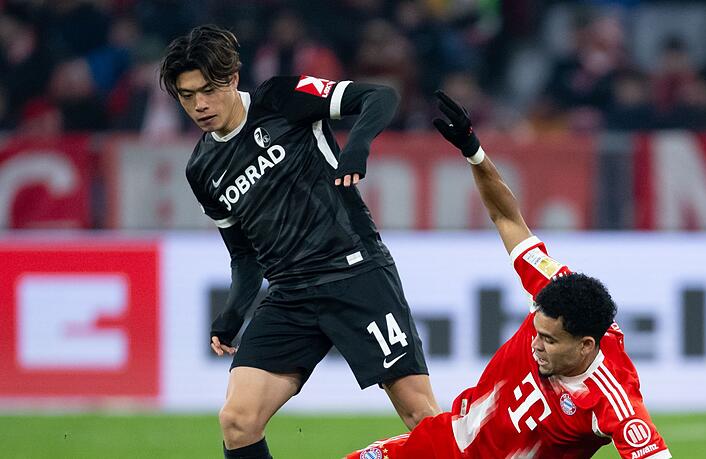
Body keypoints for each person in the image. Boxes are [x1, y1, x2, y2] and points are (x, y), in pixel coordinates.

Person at [158, 25, 440, 459]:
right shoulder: (202, 169)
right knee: (237, 420)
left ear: (233, 78)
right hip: (290, 294)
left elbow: (379, 96)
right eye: (187, 95)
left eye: (209, 90)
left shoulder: (281, 98)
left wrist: (357, 147)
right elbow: (244, 255)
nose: (200, 105)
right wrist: (232, 314)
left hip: (355, 272)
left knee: (421, 415)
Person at [347, 92, 671, 458]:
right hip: (443, 445)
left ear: (585, 346)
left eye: (549, 340)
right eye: (537, 331)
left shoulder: (611, 398)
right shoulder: (553, 288)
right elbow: (507, 218)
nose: (536, 345)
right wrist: (474, 151)